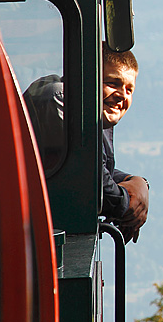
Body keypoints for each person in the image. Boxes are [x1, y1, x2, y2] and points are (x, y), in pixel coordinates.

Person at [23, 46, 149, 242]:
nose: (122, 95)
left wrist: (138, 182)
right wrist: (128, 205)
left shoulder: (95, 114)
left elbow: (99, 166)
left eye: (129, 89)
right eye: (112, 83)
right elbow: (89, 178)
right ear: (87, 76)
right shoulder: (60, 100)